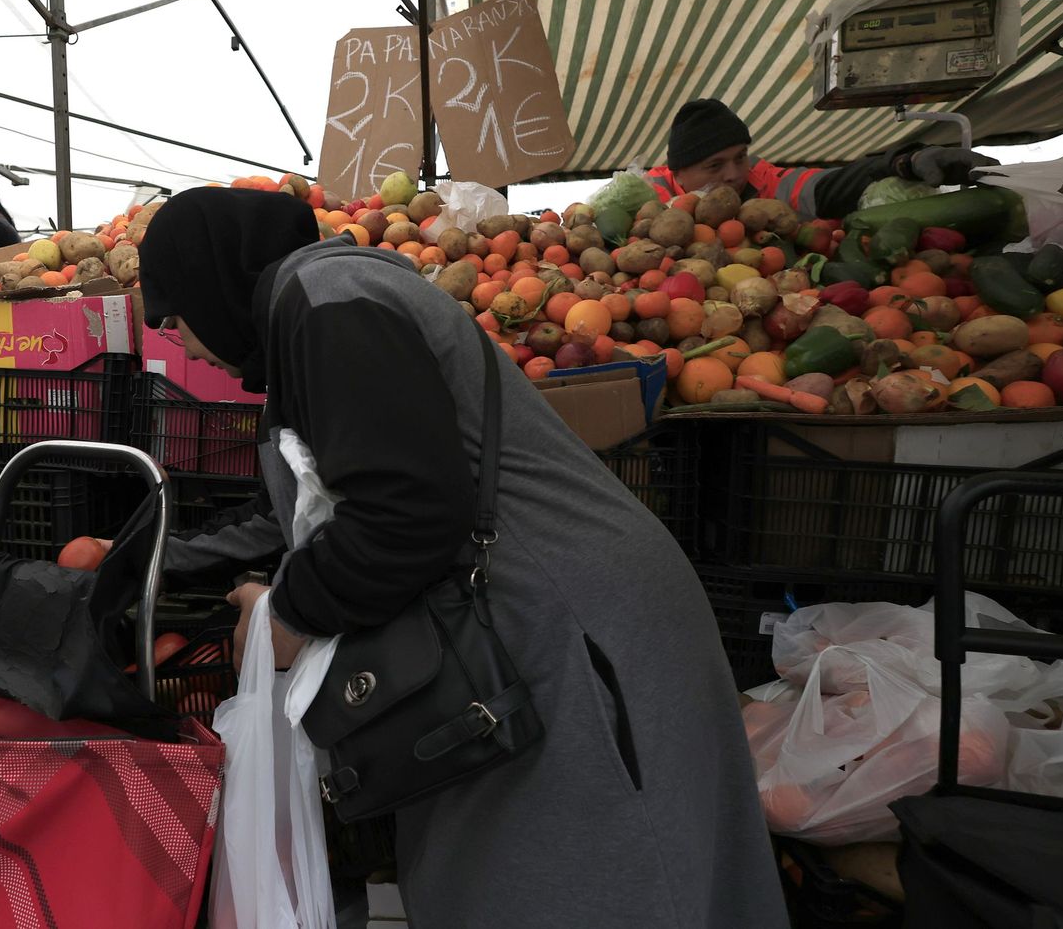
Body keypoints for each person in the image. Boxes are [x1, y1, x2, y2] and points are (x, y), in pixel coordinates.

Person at [138, 187, 788, 928]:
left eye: (170, 314)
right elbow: (297, 507)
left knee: (608, 876)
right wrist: (151, 558)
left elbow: (405, 509)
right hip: (520, 619)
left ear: (205, 279)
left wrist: (289, 614)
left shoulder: (330, 298)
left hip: (571, 624)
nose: (176, 341)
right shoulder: (308, 318)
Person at [645, 97, 995, 219]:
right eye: (714, 165)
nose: (734, 174)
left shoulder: (765, 182)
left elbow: (828, 186)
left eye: (741, 157)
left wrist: (904, 161)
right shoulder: (647, 200)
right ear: (679, 172)